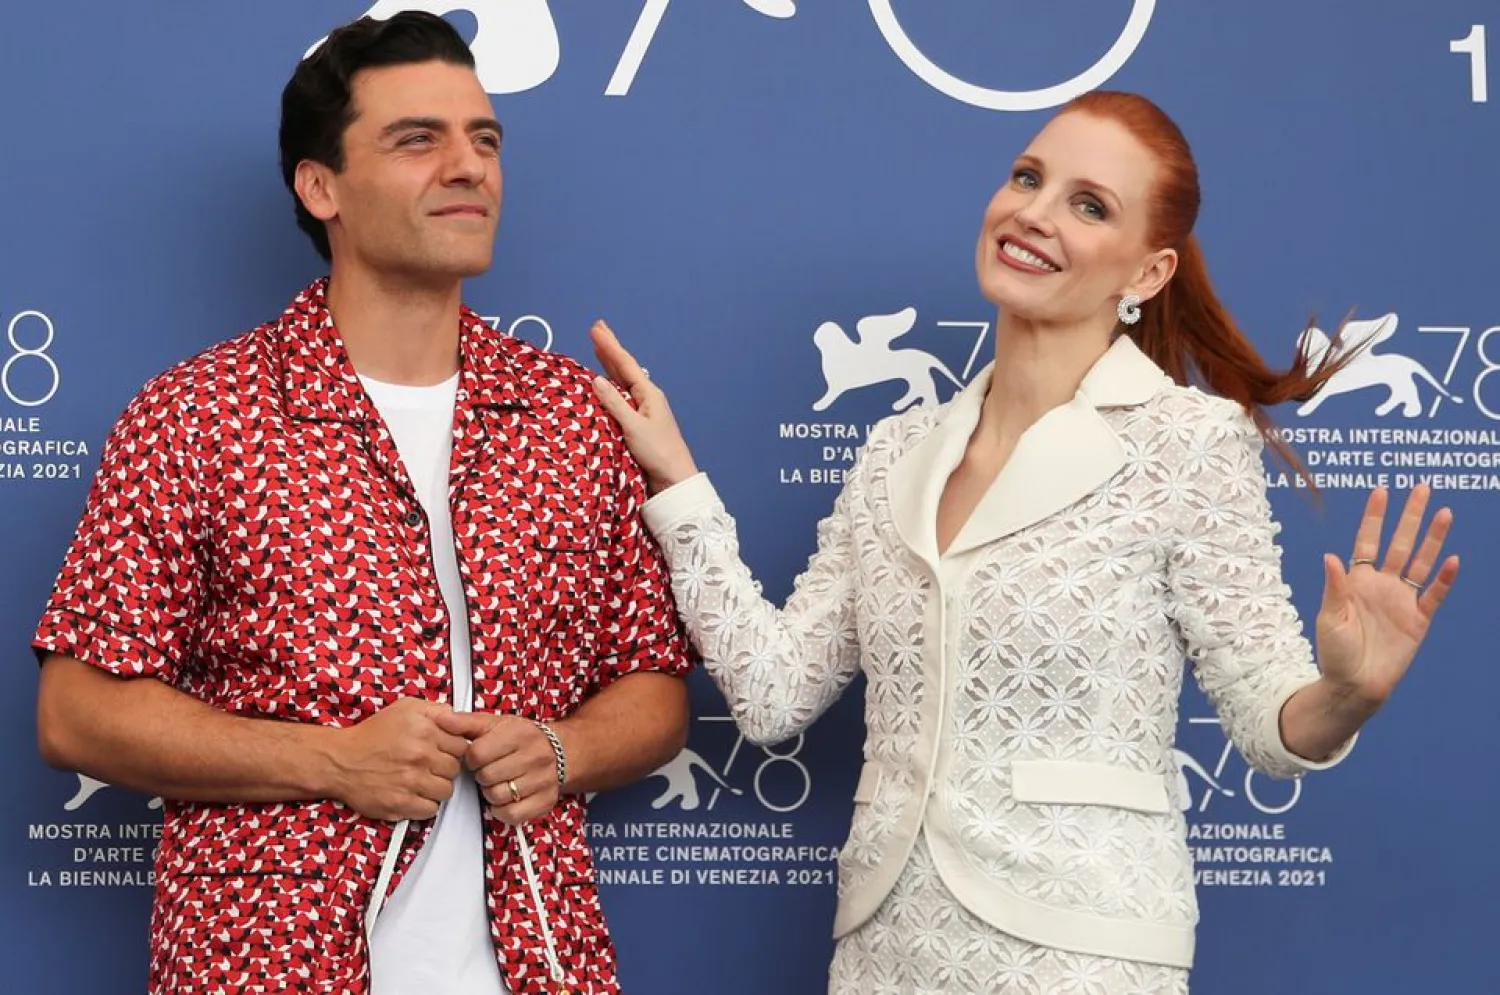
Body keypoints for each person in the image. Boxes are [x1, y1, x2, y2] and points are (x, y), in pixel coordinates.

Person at [590, 90, 1459, 993]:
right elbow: (772, 696)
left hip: (1083, 947)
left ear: (1149, 274)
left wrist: (1347, 695)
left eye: (1090, 206)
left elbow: (1269, 723)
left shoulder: (1187, 442)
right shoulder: (898, 450)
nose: (1034, 215)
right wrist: (678, 483)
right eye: (1028, 177)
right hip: (886, 947)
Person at [32, 12, 693, 995]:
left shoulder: (569, 414)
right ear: (321, 185)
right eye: (417, 139)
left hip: (542, 963)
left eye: (484, 138)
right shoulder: (198, 415)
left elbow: (652, 688)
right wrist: (334, 760)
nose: (467, 165)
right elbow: (77, 714)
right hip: (264, 966)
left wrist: (565, 747)